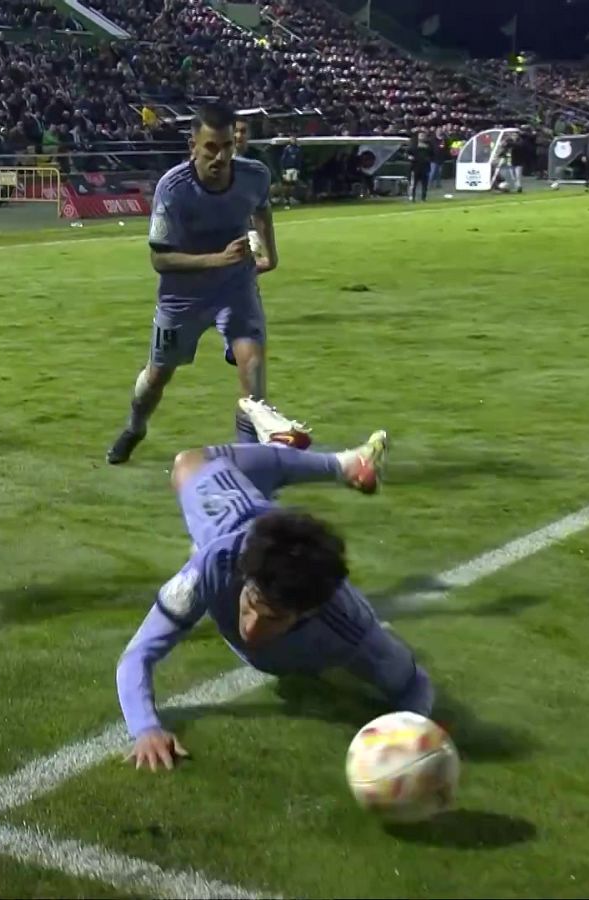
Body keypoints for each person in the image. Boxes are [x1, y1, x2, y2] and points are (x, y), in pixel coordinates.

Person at [119, 400, 433, 771]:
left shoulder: (350, 625)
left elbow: (415, 686)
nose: (250, 626)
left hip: (263, 533)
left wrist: (411, 739)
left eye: (272, 618)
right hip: (228, 512)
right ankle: (342, 464)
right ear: (245, 576)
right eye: (250, 601)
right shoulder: (212, 566)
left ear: (308, 611)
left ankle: (279, 449)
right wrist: (146, 728)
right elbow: (136, 655)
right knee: (186, 464)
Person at [106, 103, 301, 466]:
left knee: (252, 366)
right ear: (192, 146)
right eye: (211, 148)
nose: (221, 156)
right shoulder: (173, 189)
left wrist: (270, 255)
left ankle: (248, 460)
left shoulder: (254, 175)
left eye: (228, 146)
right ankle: (135, 427)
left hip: (235, 287)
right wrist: (218, 259)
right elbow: (160, 259)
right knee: (157, 376)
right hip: (183, 297)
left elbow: (262, 208)